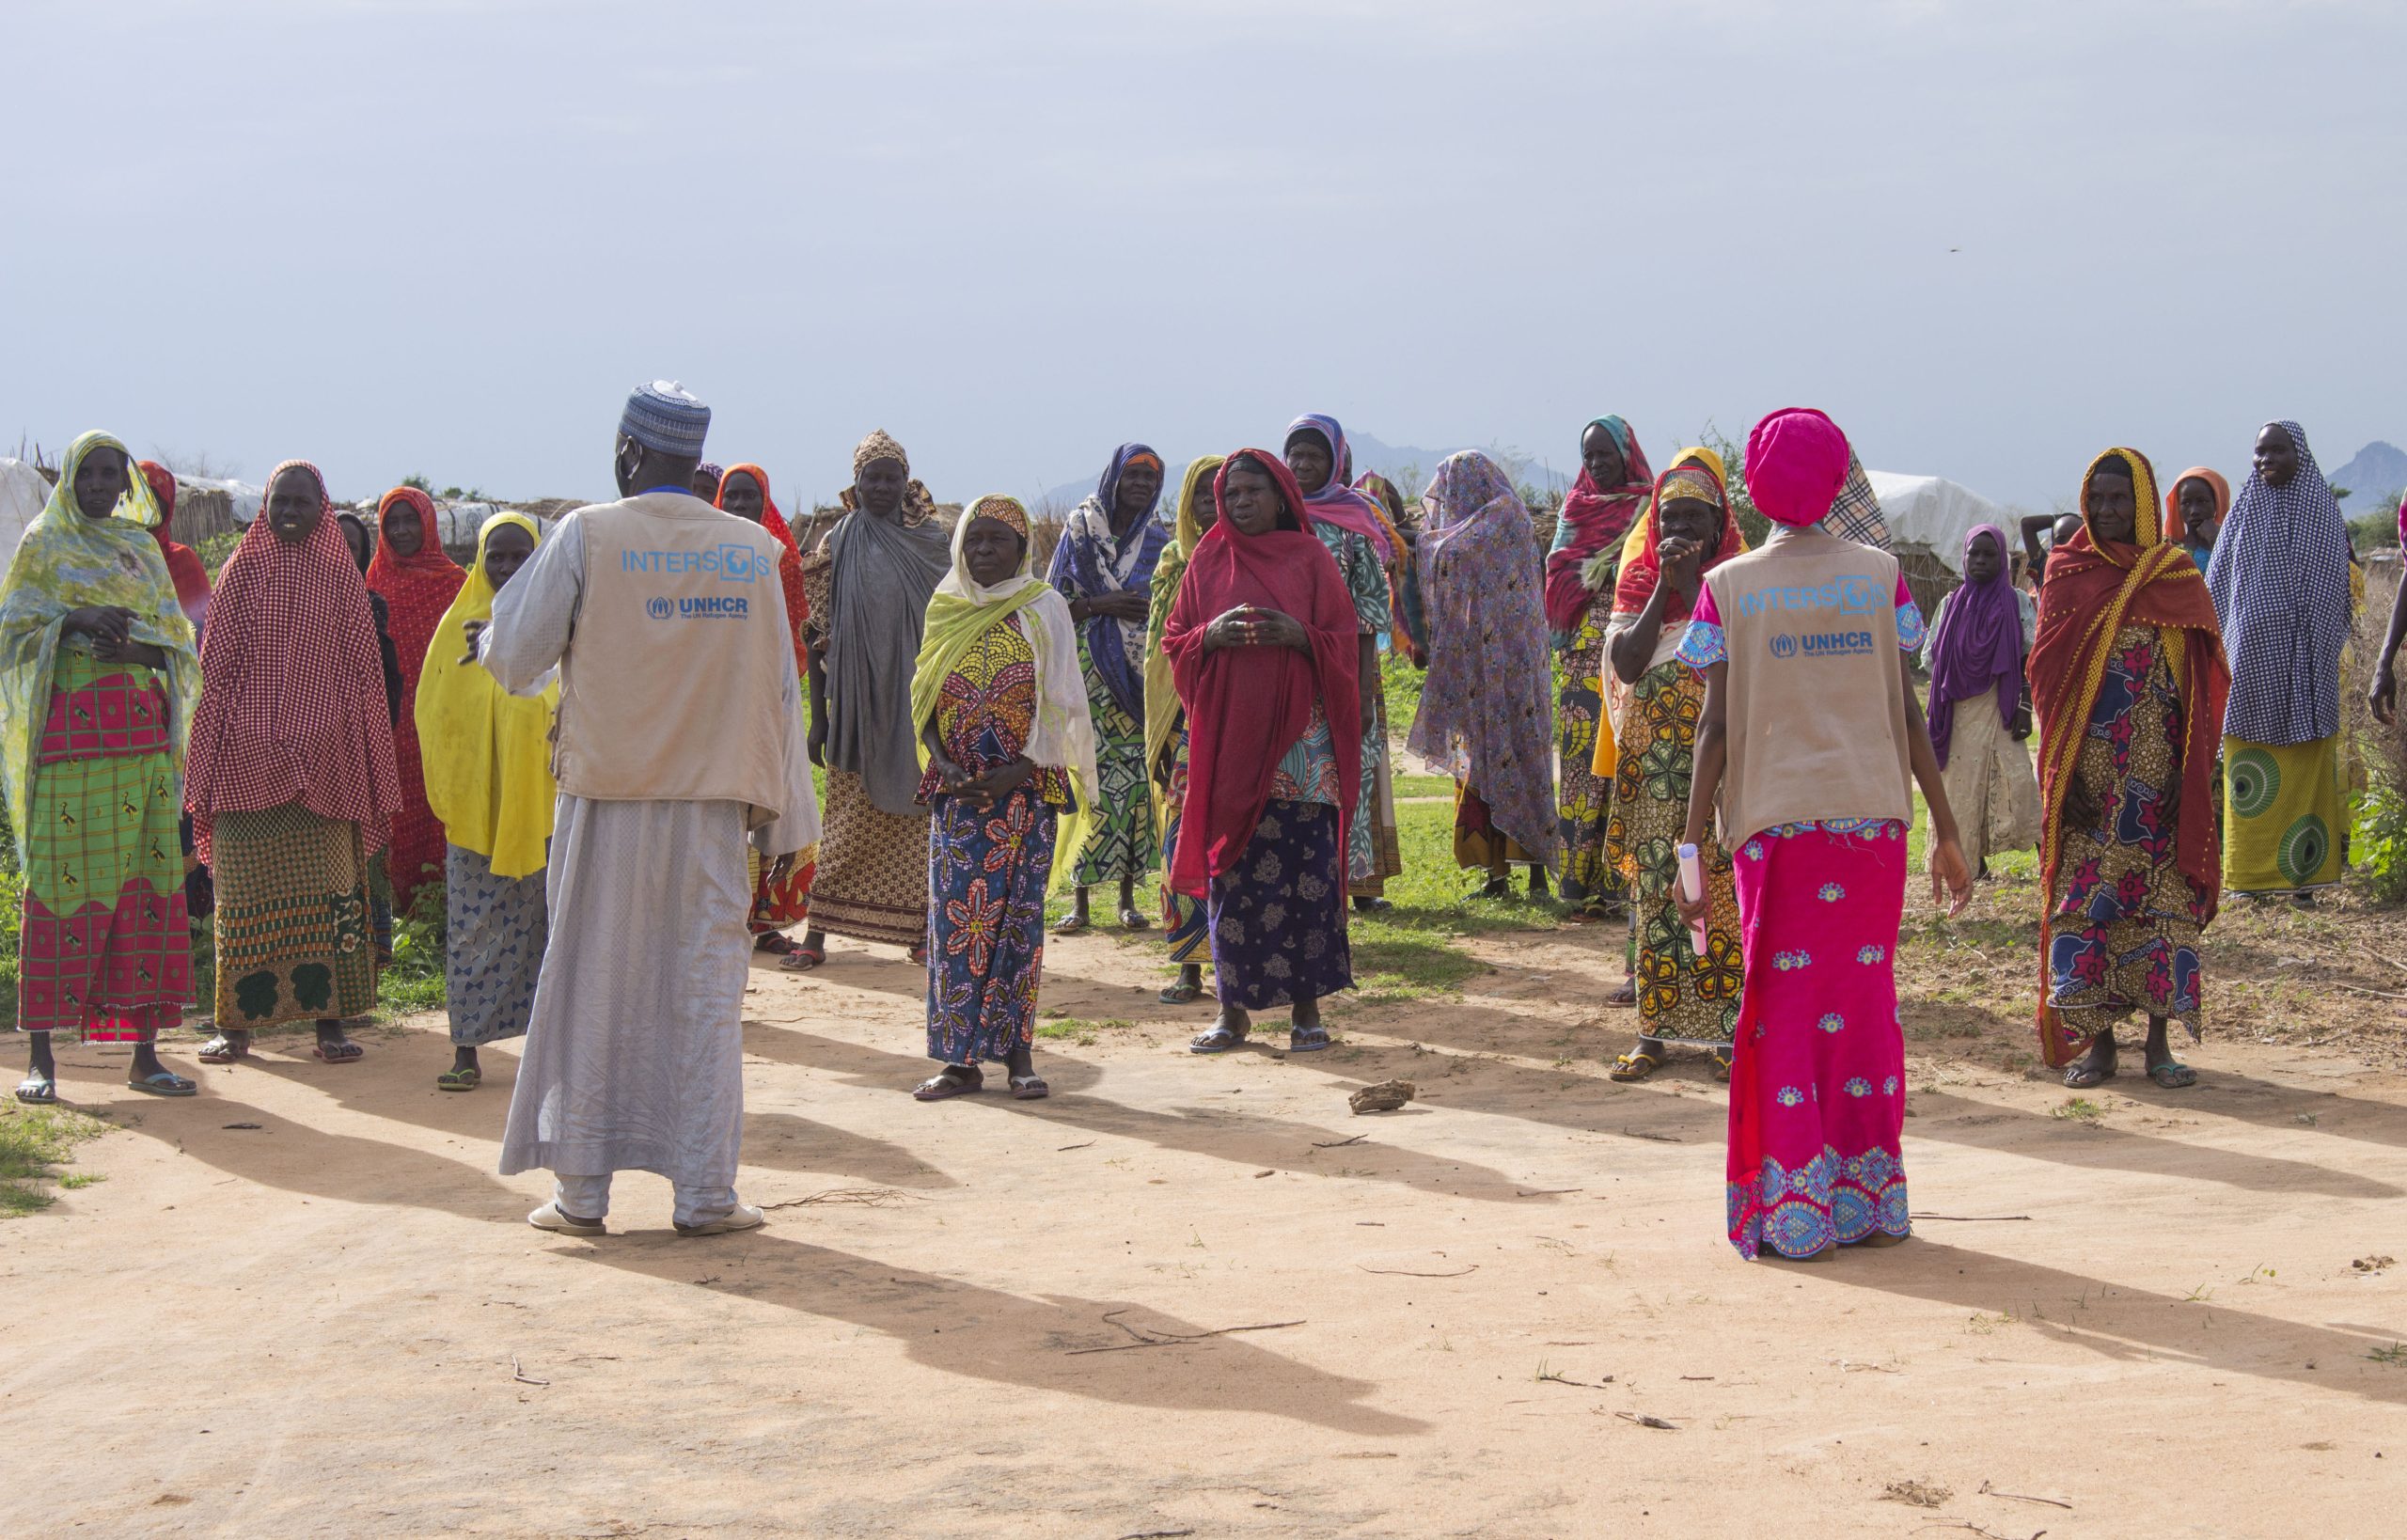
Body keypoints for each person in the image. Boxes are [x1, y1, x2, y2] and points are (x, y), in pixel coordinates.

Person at [480, 382, 818, 1238]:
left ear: (629, 451)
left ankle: (581, 1198)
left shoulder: (588, 535)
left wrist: (496, 639)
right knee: (702, 1000)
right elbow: (782, 692)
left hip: (606, 807)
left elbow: (514, 657)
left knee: (592, 990)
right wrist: (788, 824)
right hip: (712, 813)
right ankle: (704, 1196)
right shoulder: (752, 550)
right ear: (695, 457)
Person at [1675, 407, 1973, 1262]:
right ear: (1840, 478)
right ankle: (1867, 1201)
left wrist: (1689, 853)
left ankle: (1795, 1207)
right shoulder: (1882, 576)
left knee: (1782, 1014)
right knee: (1864, 1008)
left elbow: (1714, 729)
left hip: (1776, 831)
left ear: (1753, 487)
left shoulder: (1728, 586)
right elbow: (1907, 711)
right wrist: (1946, 829)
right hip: (1872, 825)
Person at [2, 432, 203, 1103]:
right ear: (68, 477)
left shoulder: (139, 549)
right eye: (85, 473)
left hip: (141, 749)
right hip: (69, 749)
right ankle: (42, 1060)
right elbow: (11, 634)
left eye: (108, 474)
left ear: (125, 483)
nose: (96, 485)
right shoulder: (43, 544)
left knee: (146, 898)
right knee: (56, 895)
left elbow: (177, 645)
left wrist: (138, 653)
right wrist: (75, 618)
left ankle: (145, 1059)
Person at [184, 461, 402, 1068]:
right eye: (279, 500)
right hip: (244, 764)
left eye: (301, 502)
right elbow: (215, 671)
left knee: (330, 897)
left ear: (320, 508)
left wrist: (353, 750)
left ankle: (329, 1025)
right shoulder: (242, 569)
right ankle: (235, 1028)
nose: (288, 511)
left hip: (328, 766)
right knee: (242, 901)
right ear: (265, 505)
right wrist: (211, 754)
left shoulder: (340, 578)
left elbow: (363, 677)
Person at [2031, 448, 2229, 1091]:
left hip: (2159, 779)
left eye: (2119, 499)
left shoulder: (2173, 575)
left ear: (2143, 503)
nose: (2107, 511)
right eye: (2097, 499)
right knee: (2086, 908)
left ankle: (2159, 1046)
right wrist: (2063, 781)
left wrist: (2188, 781)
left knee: (2162, 911)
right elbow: (2047, 686)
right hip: (2088, 779)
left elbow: (2199, 684)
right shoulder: (2068, 573)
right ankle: (2101, 1047)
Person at [1165, 450, 1361, 1055]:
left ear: (1280, 498)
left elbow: (1344, 638)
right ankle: (1232, 1012)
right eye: (1231, 494)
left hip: (1303, 749)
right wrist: (1211, 635)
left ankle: (1307, 1011)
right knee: (1233, 875)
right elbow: (1175, 638)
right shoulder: (1208, 559)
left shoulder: (1311, 558)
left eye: (1253, 491)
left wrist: (1301, 636)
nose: (1241, 502)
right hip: (1229, 742)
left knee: (1308, 876)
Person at [909, 494, 1097, 1102]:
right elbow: (924, 697)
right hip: (959, 796)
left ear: (1022, 550)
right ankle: (959, 1062)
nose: (984, 550)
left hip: (1025, 794)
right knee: (956, 926)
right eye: (974, 539)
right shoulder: (947, 604)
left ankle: (1019, 1055)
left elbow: (1060, 700)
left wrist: (1018, 770)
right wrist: (943, 763)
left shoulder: (1044, 607)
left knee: (1017, 924)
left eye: (998, 540)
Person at [1599, 458, 1748, 1082]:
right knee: (1660, 885)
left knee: (1721, 885)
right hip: (1654, 761)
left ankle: (1726, 1032)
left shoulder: (1739, 582)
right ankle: (1653, 1033)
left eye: (1693, 519)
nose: (1679, 529)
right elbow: (1628, 664)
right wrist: (1666, 586)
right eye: (1669, 518)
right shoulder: (1638, 581)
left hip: (1722, 754)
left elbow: (1744, 661)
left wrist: (1695, 589)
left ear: (1717, 526)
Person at [794, 430, 950, 968]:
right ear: (855, 484)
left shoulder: (932, 543)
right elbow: (816, 633)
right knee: (844, 821)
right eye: (871, 478)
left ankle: (920, 932)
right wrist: (819, 720)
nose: (881, 487)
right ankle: (817, 934)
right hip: (856, 707)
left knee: (920, 822)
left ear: (906, 481)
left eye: (891, 477)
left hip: (919, 707)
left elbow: (952, 626)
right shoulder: (837, 543)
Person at [416, 511, 554, 1092]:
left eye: (520, 556)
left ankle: (550, 1057)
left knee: (550, 932)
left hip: (545, 810)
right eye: (496, 555)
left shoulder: (555, 626)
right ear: (478, 560)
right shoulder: (459, 629)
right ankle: (466, 1049)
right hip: (476, 813)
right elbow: (435, 714)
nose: (507, 566)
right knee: (472, 930)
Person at [2206, 421, 2352, 899]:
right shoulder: (2242, 512)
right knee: (2251, 771)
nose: (2266, 459)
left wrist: (2312, 643)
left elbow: (2335, 589)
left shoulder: (2321, 509)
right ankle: (2248, 879)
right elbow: (2216, 590)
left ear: (2299, 454)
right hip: (2249, 666)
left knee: (2305, 767)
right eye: (2260, 451)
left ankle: (2302, 879)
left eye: (2277, 450)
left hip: (2308, 665)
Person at [1411, 451, 1560, 902]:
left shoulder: (1505, 515)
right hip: (1476, 664)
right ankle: (1495, 877)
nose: (1447, 504)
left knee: (1524, 754)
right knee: (1476, 761)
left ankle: (1536, 876)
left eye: (1450, 491)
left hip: (1513, 664)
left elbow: (1446, 549)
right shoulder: (1474, 525)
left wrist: (1419, 542)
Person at [1047, 443, 1167, 935]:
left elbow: (1167, 606)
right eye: (1133, 475)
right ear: (1114, 479)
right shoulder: (1079, 531)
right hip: (1085, 674)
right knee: (1084, 776)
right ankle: (1079, 901)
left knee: (1133, 782)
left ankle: (1126, 898)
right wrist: (1103, 605)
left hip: (1138, 680)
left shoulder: (1157, 539)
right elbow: (1053, 605)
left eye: (1149, 477)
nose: (1140, 484)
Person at [1284, 414, 1401, 909]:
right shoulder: (1275, 516)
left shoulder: (1354, 522)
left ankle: (1356, 885)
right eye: (1295, 454)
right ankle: (1300, 882)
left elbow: (1371, 610)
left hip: (1347, 670)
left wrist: (1363, 688)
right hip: (1287, 670)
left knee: (1352, 770)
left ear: (1334, 462)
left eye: (1314, 455)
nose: (1302, 464)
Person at [1545, 416, 1654, 919]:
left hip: (1632, 653)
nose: (1596, 463)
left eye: (1604, 454)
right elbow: (1558, 573)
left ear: (1625, 455)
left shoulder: (1650, 507)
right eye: (1588, 455)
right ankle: (1575, 881)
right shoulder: (1576, 507)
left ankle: (1618, 885)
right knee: (1580, 764)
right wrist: (1594, 574)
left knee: (1624, 761)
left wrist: (1613, 572)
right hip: (1582, 654)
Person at [715, 464, 815, 952]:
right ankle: (724, 922)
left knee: (768, 804)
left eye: (748, 497)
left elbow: (795, 632)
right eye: (730, 497)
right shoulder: (705, 553)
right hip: (714, 702)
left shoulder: (783, 557)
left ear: (764, 502)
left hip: (770, 699)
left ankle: (765, 923)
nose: (738, 506)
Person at [1144, 454, 1224, 1006]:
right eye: (1203, 494)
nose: (1214, 506)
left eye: (1224, 493)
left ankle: (1240, 963)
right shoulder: (1174, 561)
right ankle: (1190, 966)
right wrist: (1167, 727)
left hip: (1240, 719)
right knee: (1181, 841)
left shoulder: (1257, 557)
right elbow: (1159, 652)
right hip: (1186, 727)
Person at [1920, 525, 2042, 876]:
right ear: (1964, 557)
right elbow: (1930, 658)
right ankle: (1971, 865)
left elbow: (2029, 656)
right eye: (1975, 553)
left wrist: (2024, 705)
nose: (1981, 561)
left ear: (2002, 560)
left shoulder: (2016, 602)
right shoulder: (1950, 604)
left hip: (2000, 706)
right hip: (1958, 712)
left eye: (1990, 554)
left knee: (2019, 781)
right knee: (1960, 788)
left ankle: (2049, 860)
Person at [365, 485, 464, 913]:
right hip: (390, 723)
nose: (402, 530)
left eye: (410, 520)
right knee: (396, 809)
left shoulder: (456, 585)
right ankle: (397, 910)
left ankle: (440, 904)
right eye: (393, 522)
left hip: (444, 721)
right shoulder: (372, 583)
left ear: (428, 524)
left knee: (439, 802)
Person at [1354, 470, 1425, 665]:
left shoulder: (1362, 508)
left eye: (1347, 471)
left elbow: (1408, 550)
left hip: (1360, 629)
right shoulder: (1354, 512)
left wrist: (1398, 514)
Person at [135, 461, 212, 636]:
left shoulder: (183, 560)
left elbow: (203, 629)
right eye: (138, 496)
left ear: (167, 504)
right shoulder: (108, 555)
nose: (145, 506)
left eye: (154, 497)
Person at [2165, 466, 2228, 574]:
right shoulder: (2168, 548)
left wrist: (2216, 540)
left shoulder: (2231, 544)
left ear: (2217, 503)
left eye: (2202, 501)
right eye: (2186, 503)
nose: (2194, 511)